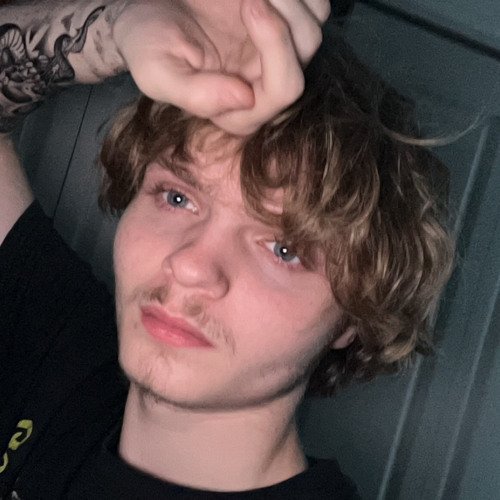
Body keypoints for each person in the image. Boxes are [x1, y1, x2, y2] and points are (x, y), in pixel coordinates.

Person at [0, 0, 453, 498]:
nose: (191, 265)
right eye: (177, 197)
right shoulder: (62, 355)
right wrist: (116, 24)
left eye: (284, 249)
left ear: (354, 317)